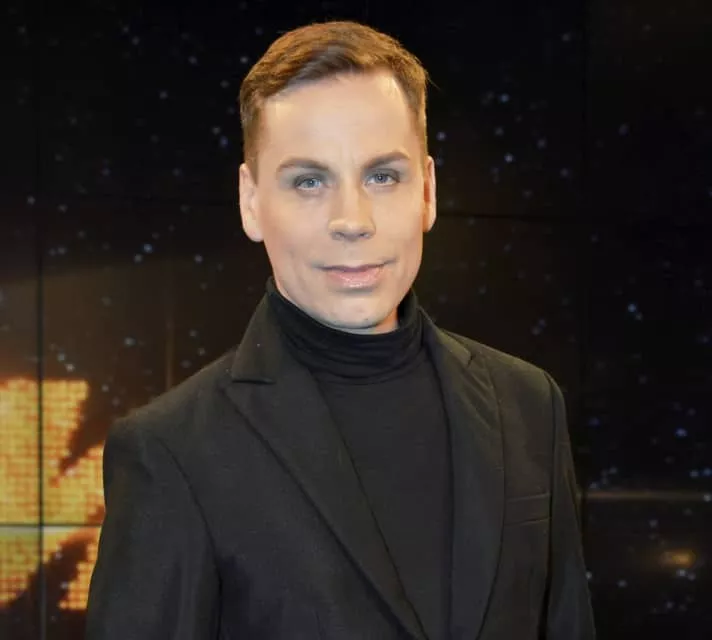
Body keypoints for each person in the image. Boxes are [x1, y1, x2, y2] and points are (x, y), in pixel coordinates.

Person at [85, 20, 596, 640]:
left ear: (428, 191)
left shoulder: (530, 406)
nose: (352, 220)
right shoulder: (172, 451)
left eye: (382, 176)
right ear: (251, 201)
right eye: (309, 181)